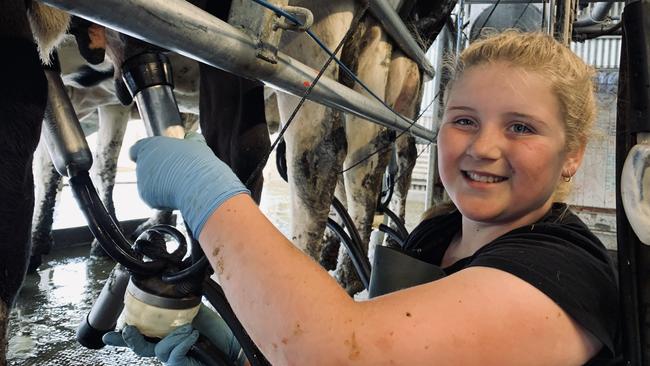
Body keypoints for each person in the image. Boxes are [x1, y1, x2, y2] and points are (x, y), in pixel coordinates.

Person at [104, 30, 620, 365]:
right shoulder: (438, 232)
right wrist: (242, 345)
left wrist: (205, 191)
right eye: (464, 120)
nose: (483, 147)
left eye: (521, 127)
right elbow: (379, 330)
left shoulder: (564, 273)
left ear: (572, 154)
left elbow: (342, 352)